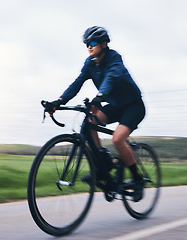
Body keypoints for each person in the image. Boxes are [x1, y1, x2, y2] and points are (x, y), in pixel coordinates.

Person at [48, 26, 146, 202]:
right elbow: (77, 83)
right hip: (115, 105)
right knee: (90, 121)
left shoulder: (114, 58)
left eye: (92, 43)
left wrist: (100, 96)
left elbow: (112, 76)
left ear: (104, 43)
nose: (89, 47)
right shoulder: (90, 63)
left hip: (133, 106)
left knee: (117, 139)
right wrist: (59, 101)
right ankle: (102, 165)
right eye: (86, 44)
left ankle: (137, 179)